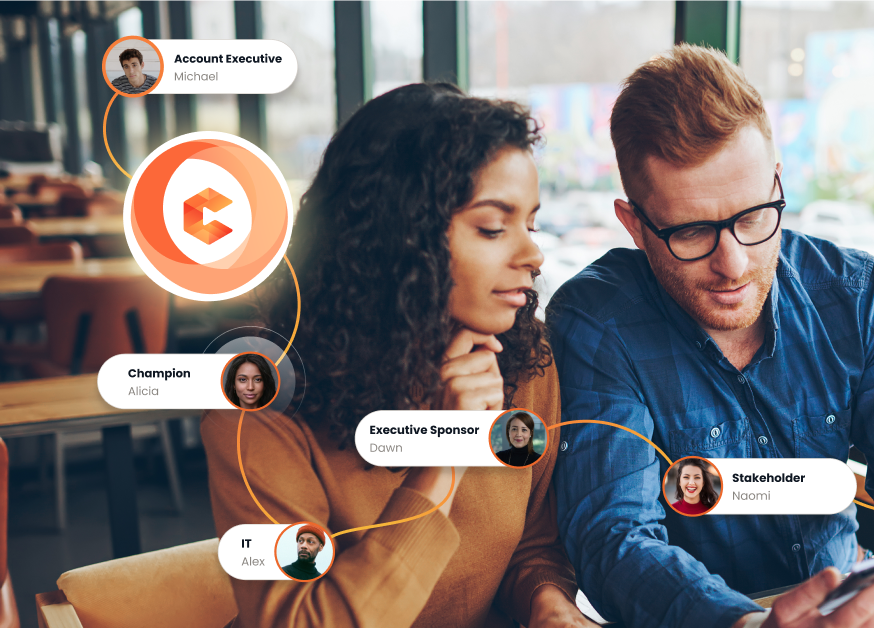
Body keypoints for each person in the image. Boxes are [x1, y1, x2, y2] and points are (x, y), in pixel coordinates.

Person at [547, 45, 874, 628]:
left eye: (753, 217)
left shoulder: (855, 293)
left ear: (777, 182)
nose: (734, 263)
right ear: (634, 226)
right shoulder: (598, 320)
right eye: (694, 231)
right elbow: (614, 540)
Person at [201, 83, 591, 627]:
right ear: (400, 235)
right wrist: (443, 459)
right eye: (493, 227)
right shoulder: (259, 405)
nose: (533, 254)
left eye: (530, 223)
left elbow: (531, 545)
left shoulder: (523, 359)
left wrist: (547, 602)